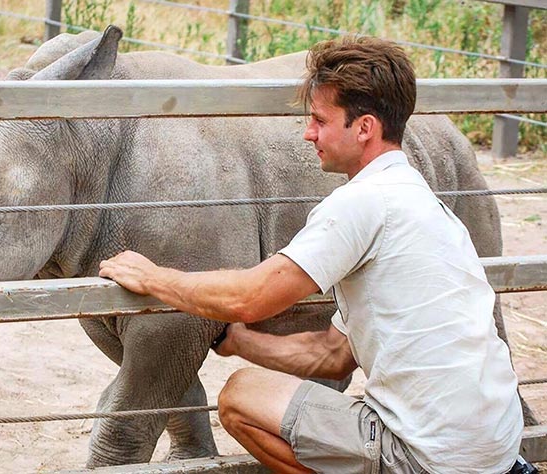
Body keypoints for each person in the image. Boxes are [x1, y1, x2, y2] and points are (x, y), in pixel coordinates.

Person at [98, 36, 525, 474]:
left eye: (320, 120)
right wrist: (239, 341)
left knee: (242, 396)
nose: (308, 132)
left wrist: (155, 278)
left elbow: (254, 296)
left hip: (427, 457)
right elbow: (332, 355)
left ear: (364, 128)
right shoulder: (421, 201)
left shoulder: (360, 202)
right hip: (496, 449)